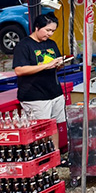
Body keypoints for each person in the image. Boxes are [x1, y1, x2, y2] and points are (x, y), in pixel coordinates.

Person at [13, 13, 67, 151]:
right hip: (34, 94)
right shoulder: (24, 46)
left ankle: (55, 155)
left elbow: (56, 63)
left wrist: (60, 63)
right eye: (48, 30)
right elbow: (19, 70)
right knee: (41, 128)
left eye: (53, 31)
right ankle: (42, 157)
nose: (50, 34)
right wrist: (45, 65)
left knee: (54, 125)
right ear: (37, 27)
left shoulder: (51, 44)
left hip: (54, 91)